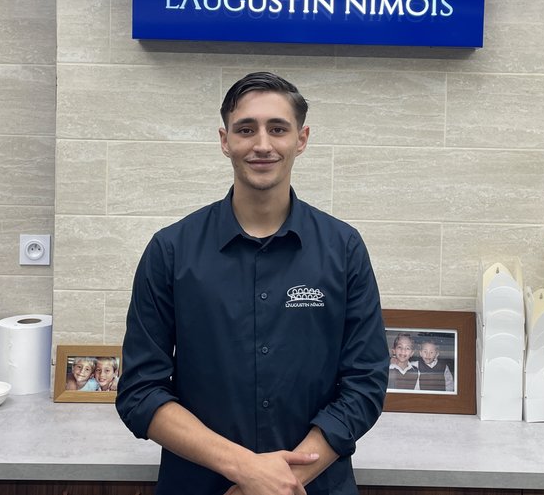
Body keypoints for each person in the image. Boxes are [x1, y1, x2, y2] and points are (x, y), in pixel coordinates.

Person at [117, 72, 388, 495]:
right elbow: (140, 391)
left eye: (277, 129)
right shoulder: (170, 251)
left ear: (301, 139)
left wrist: (278, 483)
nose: (262, 144)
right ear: (225, 140)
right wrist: (246, 469)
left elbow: (365, 384)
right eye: (246, 129)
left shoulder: (344, 248)